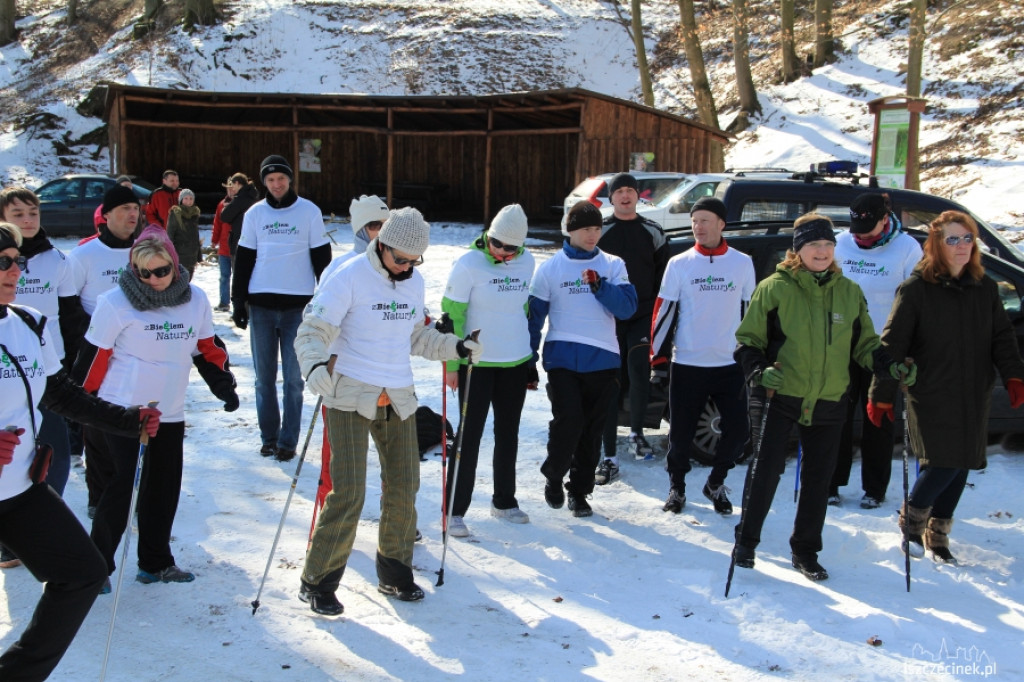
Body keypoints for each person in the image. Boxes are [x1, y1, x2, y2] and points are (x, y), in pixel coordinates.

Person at [294, 207, 480, 615]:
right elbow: (313, 330)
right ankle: (318, 581)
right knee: (349, 492)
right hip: (348, 395)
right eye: (401, 259)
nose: (407, 267)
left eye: (414, 261)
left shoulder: (413, 283)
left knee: (403, 485)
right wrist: (311, 364)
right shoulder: (347, 277)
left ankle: (395, 572)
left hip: (398, 395)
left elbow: (416, 336)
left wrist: (455, 347)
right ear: (381, 245)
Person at [0, 220, 162, 681]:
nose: (14, 270)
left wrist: (126, 420)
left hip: (16, 489)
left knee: (83, 573)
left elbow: (61, 395)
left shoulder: (28, 324)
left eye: (17, 261)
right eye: (2, 262)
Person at [731, 214, 903, 582]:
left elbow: (865, 345)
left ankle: (805, 551)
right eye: (814, 245)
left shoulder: (848, 291)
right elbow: (747, 343)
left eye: (827, 245)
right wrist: (760, 372)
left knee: (818, 479)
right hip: (782, 393)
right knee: (767, 468)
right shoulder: (774, 288)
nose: (822, 252)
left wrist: (889, 365)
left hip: (829, 398)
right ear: (798, 250)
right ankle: (746, 542)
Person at [72, 226, 238, 588]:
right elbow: (92, 360)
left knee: (163, 489)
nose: (153, 280)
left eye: (161, 271)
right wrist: (81, 409)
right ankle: (94, 567)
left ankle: (155, 562)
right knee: (121, 490)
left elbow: (206, 348)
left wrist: (223, 385)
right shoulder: (115, 303)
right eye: (144, 273)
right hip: (121, 411)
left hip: (169, 411)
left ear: (175, 267)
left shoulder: (194, 300)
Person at [870, 210, 1024, 564]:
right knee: (943, 459)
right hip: (930, 390)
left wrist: (1013, 374)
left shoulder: (984, 288)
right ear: (936, 246)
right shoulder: (916, 289)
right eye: (952, 239)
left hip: (974, 389)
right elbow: (892, 346)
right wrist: (880, 394)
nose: (961, 246)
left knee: (963, 461)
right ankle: (912, 523)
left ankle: (937, 534)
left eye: (967, 238)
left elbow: (1001, 336)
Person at [529, 201, 637, 518]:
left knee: (592, 431)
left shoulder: (613, 265)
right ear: (571, 230)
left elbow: (628, 308)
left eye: (596, 228)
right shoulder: (550, 269)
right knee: (569, 422)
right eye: (585, 229)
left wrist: (600, 287)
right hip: (562, 359)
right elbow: (534, 319)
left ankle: (579, 491)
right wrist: (528, 360)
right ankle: (553, 473)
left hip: (604, 360)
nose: (592, 235)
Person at [0, 187, 89, 569]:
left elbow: (69, 314)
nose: (27, 220)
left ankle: (37, 528)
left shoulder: (57, 260)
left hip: (44, 368)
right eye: (17, 213)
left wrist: (75, 366)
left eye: (32, 212)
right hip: (8, 372)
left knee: (54, 454)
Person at [650, 197, 756, 515]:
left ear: (722, 224)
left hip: (729, 363)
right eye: (695, 220)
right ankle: (677, 488)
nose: (698, 226)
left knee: (738, 431)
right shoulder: (679, 263)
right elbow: (663, 311)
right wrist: (657, 358)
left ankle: (715, 482)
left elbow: (750, 311)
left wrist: (753, 355)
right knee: (680, 435)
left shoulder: (741, 263)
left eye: (705, 220)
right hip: (688, 362)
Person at [441, 204, 536, 537]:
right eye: (496, 243)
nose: (502, 251)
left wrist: (529, 360)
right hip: (475, 364)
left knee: (508, 433)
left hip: (514, 361)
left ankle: (504, 500)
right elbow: (451, 314)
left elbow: (522, 308)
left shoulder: (527, 261)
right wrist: (452, 363)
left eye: (511, 248)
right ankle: (454, 510)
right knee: (469, 437)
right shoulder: (468, 264)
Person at [232, 155, 332, 461]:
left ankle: (288, 441)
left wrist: (329, 302)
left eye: (282, 179)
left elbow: (322, 260)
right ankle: (269, 437)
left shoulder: (309, 212)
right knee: (264, 379)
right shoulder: (255, 213)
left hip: (297, 308)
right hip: (260, 305)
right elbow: (245, 257)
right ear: (264, 183)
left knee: (293, 380)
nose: (277, 184)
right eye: (271, 180)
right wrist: (238, 301)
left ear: (290, 180)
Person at [829, 192, 922, 508]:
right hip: (841, 345)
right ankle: (831, 482)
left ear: (886, 220)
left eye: (866, 232)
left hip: (883, 346)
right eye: (855, 230)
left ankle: (874, 487)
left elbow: (915, 302)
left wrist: (910, 348)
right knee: (836, 416)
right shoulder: (840, 243)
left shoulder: (907, 249)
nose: (859, 237)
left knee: (878, 417)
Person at [69, 184, 142, 519]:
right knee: (97, 431)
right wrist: (98, 338)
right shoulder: (83, 256)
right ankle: (99, 496)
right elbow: (67, 308)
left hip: (139, 357)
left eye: (136, 209)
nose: (132, 215)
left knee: (137, 425)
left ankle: (134, 492)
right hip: (97, 354)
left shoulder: (144, 251)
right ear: (107, 214)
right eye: (125, 209)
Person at [595, 172, 669, 485]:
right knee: (612, 379)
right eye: (619, 191)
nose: (625, 196)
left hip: (642, 314)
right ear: (610, 198)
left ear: (638, 196)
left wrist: (657, 313)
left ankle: (637, 434)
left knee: (639, 371)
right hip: (608, 316)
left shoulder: (652, 230)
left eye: (630, 191)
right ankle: (607, 444)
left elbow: (665, 276)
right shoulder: (601, 230)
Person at [320, 194, 389, 283]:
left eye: (387, 225)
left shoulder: (399, 266)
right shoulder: (339, 267)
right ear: (361, 229)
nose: (383, 230)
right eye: (375, 225)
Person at [219, 172, 259, 259]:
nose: (232, 188)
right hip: (253, 242)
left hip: (239, 242)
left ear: (237, 183)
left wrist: (225, 208)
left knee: (238, 271)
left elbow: (224, 217)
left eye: (232, 184)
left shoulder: (240, 199)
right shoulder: (254, 197)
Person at [166, 188, 202, 280]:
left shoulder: (195, 213)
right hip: (179, 255)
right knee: (179, 282)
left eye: (191, 198)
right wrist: (171, 254)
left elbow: (195, 235)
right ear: (181, 200)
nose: (188, 201)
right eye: (186, 198)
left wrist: (199, 255)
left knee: (188, 281)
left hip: (192, 254)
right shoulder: (175, 213)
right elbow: (170, 235)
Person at [210, 179, 234, 312]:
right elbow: (217, 224)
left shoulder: (242, 204)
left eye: (232, 188)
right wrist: (214, 240)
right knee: (224, 277)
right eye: (228, 188)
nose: (230, 191)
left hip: (238, 248)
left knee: (238, 279)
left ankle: (240, 304)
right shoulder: (221, 205)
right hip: (224, 248)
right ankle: (224, 302)